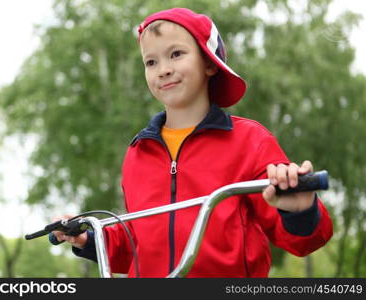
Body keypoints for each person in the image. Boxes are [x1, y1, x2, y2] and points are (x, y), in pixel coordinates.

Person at [53, 7, 333, 277]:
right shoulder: (138, 152)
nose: (163, 70)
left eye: (176, 54)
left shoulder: (250, 142)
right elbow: (140, 249)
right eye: (151, 62)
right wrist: (89, 239)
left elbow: (304, 241)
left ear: (210, 62)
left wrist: (300, 210)